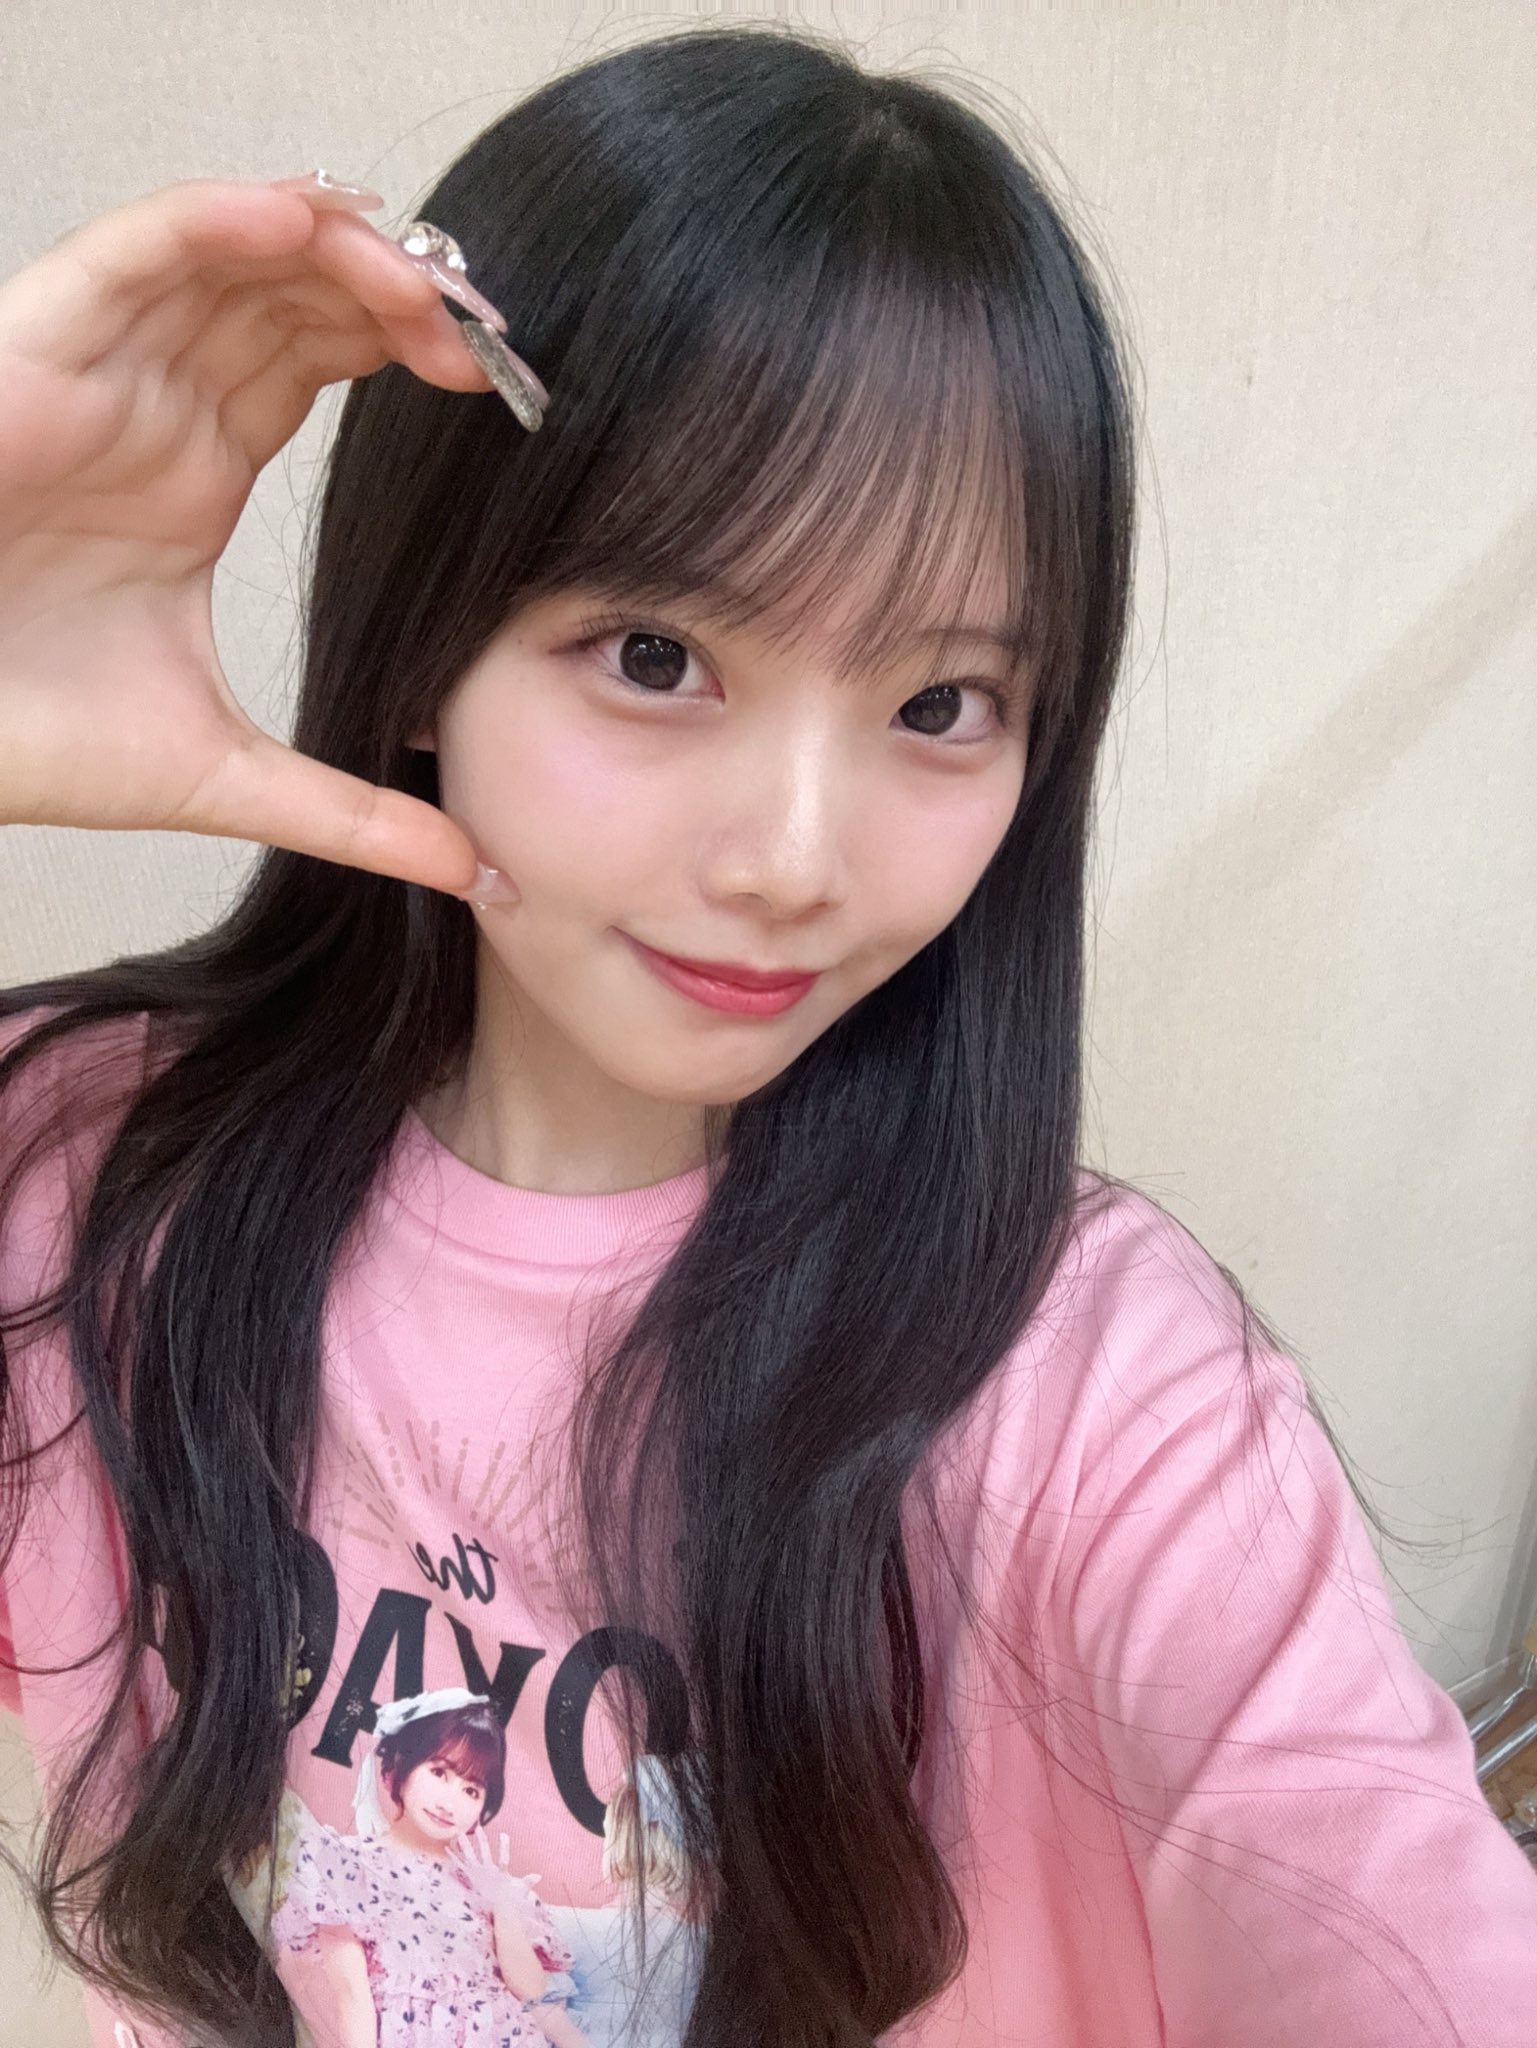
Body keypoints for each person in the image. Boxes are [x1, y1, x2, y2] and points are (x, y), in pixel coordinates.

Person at [0, 22, 1531, 2048]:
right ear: (424, 641)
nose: (797, 859)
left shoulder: (1096, 1387)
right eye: (659, 655)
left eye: (939, 705)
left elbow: (1380, 1905)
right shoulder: (84, 1173)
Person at [233, 1688, 587, 2048]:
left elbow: (533, 1994)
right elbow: (352, 1998)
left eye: (472, 1790)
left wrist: (502, 1905)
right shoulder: (350, 1867)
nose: (450, 1802)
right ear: (402, 1765)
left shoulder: (485, 1882)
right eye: (439, 1772)